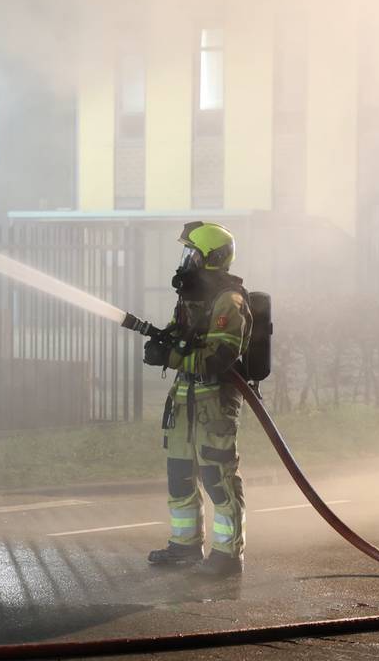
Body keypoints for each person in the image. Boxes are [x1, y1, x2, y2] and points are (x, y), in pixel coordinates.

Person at [143, 221, 250, 577]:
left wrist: (169, 357)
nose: (185, 259)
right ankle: (184, 547)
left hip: (213, 405)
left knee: (218, 479)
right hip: (184, 402)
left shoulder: (228, 302)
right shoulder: (190, 300)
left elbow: (219, 359)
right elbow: (180, 339)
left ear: (210, 258)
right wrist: (164, 344)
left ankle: (226, 554)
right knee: (180, 478)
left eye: (191, 253)